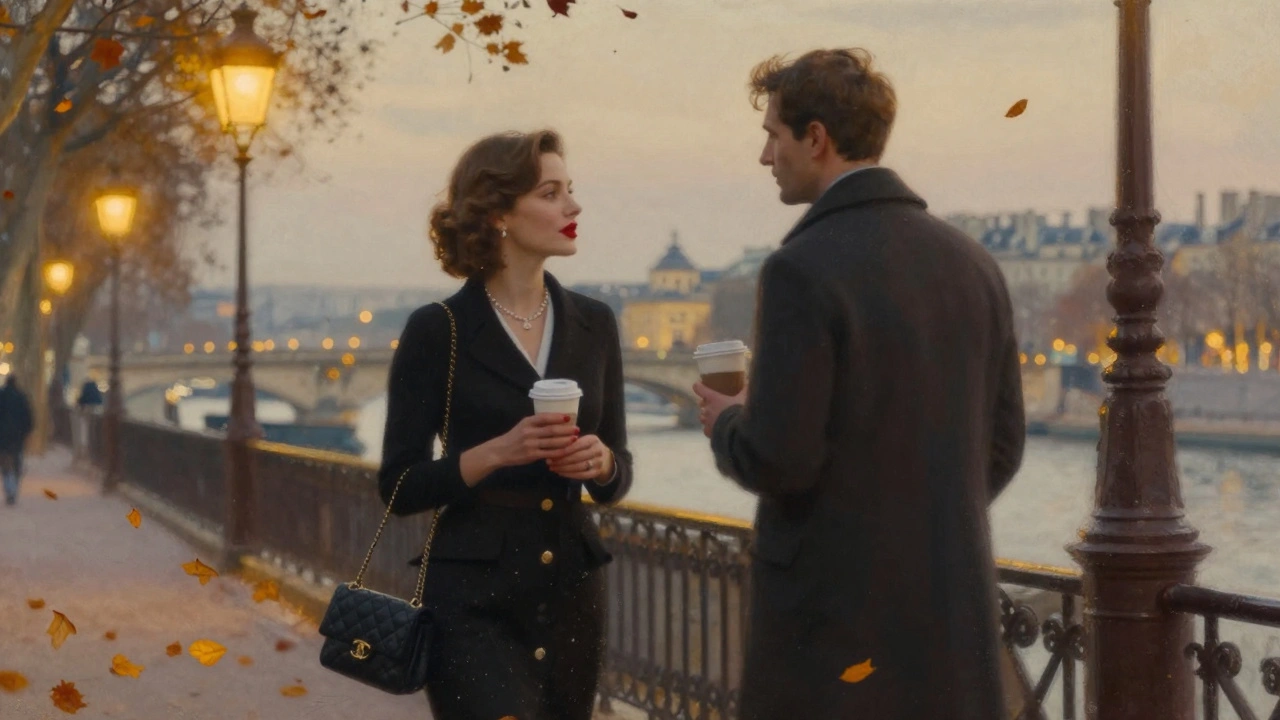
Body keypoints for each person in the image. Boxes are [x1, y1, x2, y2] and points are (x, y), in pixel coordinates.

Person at [692, 49, 1026, 719]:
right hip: (945, 618)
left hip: (833, 627)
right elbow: (1003, 446)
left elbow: (781, 459)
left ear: (816, 138)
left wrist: (728, 421)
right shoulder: (973, 264)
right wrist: (916, 524)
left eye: (773, 135)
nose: (765, 156)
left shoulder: (800, 268)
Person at [378, 129, 633, 720]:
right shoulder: (438, 329)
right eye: (551, 193)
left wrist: (602, 463)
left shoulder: (595, 323)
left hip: (572, 591)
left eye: (570, 190)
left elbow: (617, 472)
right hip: (472, 599)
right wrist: (496, 452)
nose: (573, 207)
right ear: (497, 213)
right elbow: (398, 486)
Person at [0, 375, 36, 506]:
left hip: (2, 437)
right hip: (18, 437)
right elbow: (29, 418)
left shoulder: (1, 396)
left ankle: (9, 489)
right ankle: (13, 489)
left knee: (5, 465)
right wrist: (27, 432)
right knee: (16, 463)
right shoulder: (21, 397)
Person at [73, 375, 104, 464]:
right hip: (96, 420)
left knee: (85, 434)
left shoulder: (85, 393)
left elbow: (80, 402)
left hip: (86, 417)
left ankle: (84, 454)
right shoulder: (97, 397)